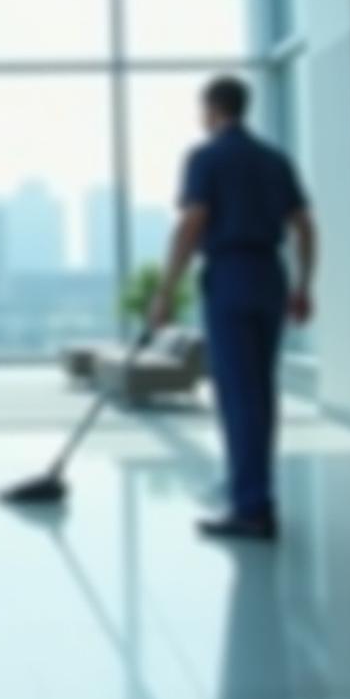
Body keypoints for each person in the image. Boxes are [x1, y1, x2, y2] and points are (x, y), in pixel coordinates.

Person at [147, 76, 315, 541]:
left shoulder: (205, 157)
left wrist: (166, 290)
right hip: (271, 277)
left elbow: (192, 223)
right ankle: (251, 491)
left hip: (230, 277)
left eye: (201, 110)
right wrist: (303, 287)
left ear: (212, 110)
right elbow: (305, 226)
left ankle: (252, 508)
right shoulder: (275, 159)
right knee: (260, 392)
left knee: (238, 396)